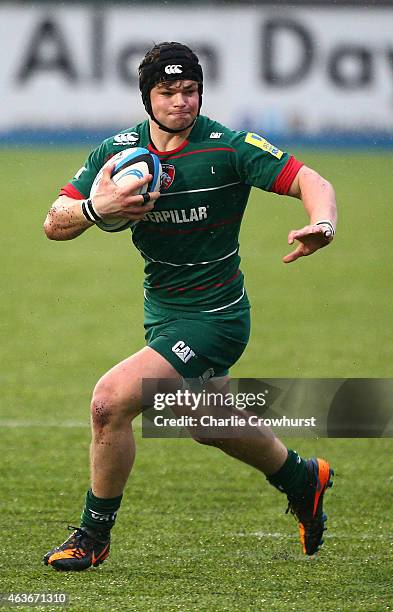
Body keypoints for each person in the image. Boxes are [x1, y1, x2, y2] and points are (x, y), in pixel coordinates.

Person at [43, 42, 337, 571]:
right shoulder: (117, 152)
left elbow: (312, 181)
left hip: (218, 317)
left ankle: (93, 535)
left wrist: (322, 223)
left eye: (191, 90)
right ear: (147, 97)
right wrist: (95, 207)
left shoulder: (228, 146)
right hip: (164, 313)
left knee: (109, 402)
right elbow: (54, 221)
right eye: (168, 91)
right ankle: (301, 476)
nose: (181, 101)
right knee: (200, 416)